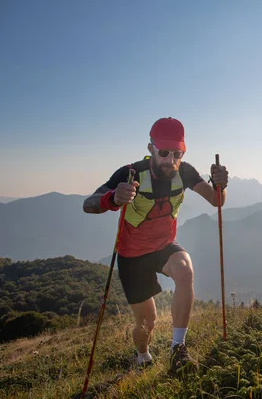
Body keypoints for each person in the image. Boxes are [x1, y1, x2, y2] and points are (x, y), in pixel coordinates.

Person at [82, 116, 228, 374]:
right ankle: (142, 356)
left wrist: (221, 186)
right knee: (147, 322)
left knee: (186, 270)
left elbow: (216, 201)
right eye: (163, 152)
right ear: (151, 149)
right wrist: (112, 199)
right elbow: (89, 203)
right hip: (132, 255)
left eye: (177, 153)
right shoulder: (130, 173)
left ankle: (177, 349)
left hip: (163, 246)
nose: (171, 160)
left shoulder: (184, 172)